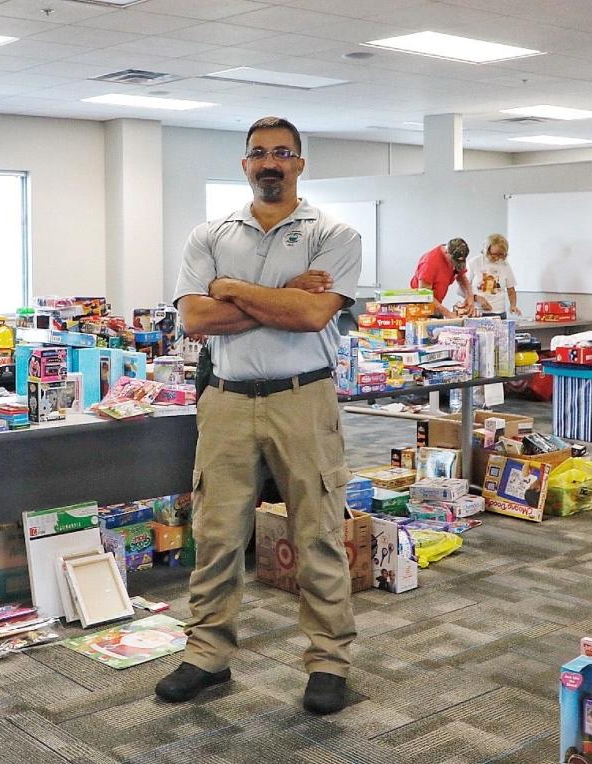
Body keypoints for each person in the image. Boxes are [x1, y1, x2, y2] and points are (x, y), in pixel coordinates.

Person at [160, 116, 362, 715]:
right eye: (258, 154)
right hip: (224, 400)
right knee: (216, 533)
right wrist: (284, 292)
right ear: (244, 165)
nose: (269, 162)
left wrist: (230, 288)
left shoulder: (335, 233)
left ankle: (328, 662)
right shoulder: (211, 233)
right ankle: (206, 656)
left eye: (282, 153)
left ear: (300, 163)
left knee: (317, 532)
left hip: (304, 398)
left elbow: (310, 317)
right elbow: (195, 321)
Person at [409, 239, 473, 318]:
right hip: (420, 307)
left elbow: (461, 276)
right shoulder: (429, 263)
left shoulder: (457, 257)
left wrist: (470, 296)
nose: (455, 265)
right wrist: (447, 313)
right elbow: (424, 295)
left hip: (436, 305)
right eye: (453, 262)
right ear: (447, 252)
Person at [466, 233, 521, 318]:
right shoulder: (474, 263)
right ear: (487, 250)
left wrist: (513, 305)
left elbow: (511, 290)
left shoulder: (505, 265)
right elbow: (461, 290)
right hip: (477, 313)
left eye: (500, 254)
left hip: (499, 313)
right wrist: (477, 298)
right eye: (494, 254)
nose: (497, 258)